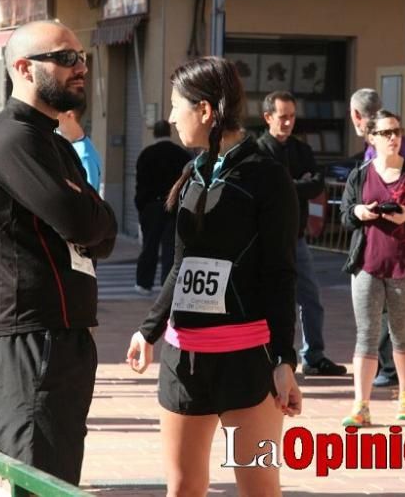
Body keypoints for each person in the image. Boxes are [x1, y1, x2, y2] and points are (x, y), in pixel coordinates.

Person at [126, 57, 302, 496]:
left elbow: (281, 272)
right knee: (183, 487)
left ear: (205, 111)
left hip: (247, 358)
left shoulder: (267, 177)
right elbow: (183, 267)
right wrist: (148, 330)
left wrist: (284, 360)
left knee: (258, 487)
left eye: (175, 106)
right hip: (183, 357)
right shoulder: (193, 173)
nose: (169, 116)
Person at [0, 20, 117, 484]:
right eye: (66, 57)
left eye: (82, 57)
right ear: (24, 69)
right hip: (26, 336)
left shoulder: (55, 142)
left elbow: (106, 234)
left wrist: (89, 213)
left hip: (64, 333)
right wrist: (88, 213)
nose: (80, 68)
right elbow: (80, 221)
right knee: (37, 480)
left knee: (59, 478)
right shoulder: (12, 138)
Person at [340, 110, 405, 425]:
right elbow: (345, 215)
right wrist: (359, 211)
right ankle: (360, 406)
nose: (394, 138)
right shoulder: (360, 174)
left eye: (397, 131)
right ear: (372, 138)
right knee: (366, 334)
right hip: (367, 264)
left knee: (401, 333)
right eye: (386, 132)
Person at [258, 90, 346, 376]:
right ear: (268, 117)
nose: (288, 123)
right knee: (268, 299)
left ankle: (314, 355)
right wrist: (296, 185)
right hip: (266, 240)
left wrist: (289, 186)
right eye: (282, 117)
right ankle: (266, 355)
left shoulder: (301, 150)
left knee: (310, 298)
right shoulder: (258, 149)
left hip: (296, 238)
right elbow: (266, 190)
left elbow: (317, 185)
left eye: (292, 117)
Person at [349, 88, 398, 389]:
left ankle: (390, 367)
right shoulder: (391, 143)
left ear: (355, 116)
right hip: (377, 244)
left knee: (383, 313)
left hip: (384, 244)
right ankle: (389, 366)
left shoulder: (376, 153)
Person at [134, 119, 191, 295]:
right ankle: (168, 284)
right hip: (174, 206)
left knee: (149, 246)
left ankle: (144, 283)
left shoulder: (146, 154)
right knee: (170, 248)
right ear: (169, 132)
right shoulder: (181, 154)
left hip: (152, 206)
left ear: (155, 133)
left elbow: (140, 183)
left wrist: (142, 207)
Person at [56, 101, 102, 193]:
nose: (52, 115)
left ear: (70, 115)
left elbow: (87, 199)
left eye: (57, 111)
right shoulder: (58, 139)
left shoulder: (85, 156)